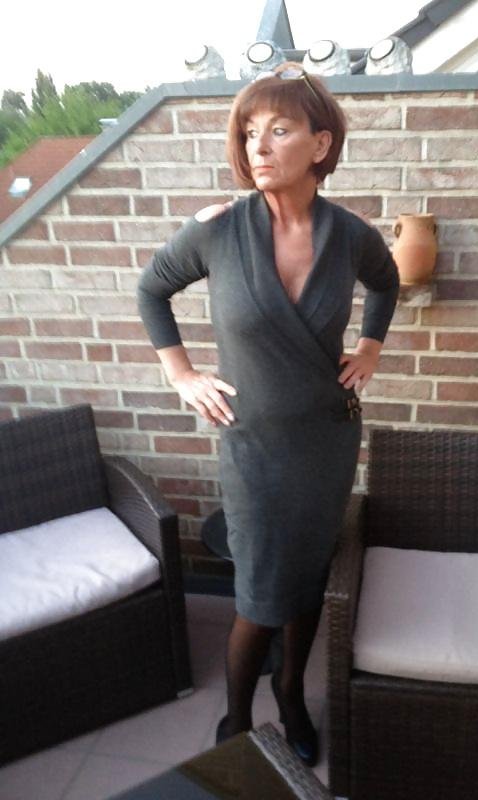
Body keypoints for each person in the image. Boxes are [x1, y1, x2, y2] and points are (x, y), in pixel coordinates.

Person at [137, 62, 399, 766]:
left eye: (279, 130)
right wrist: (182, 374)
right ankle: (237, 717)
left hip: (326, 442)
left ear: (320, 144)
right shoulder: (218, 231)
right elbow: (151, 290)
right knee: (258, 595)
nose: (258, 145)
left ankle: (289, 695)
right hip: (252, 446)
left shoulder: (351, 236)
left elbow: (387, 283)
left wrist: (370, 347)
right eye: (249, 131)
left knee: (308, 579)